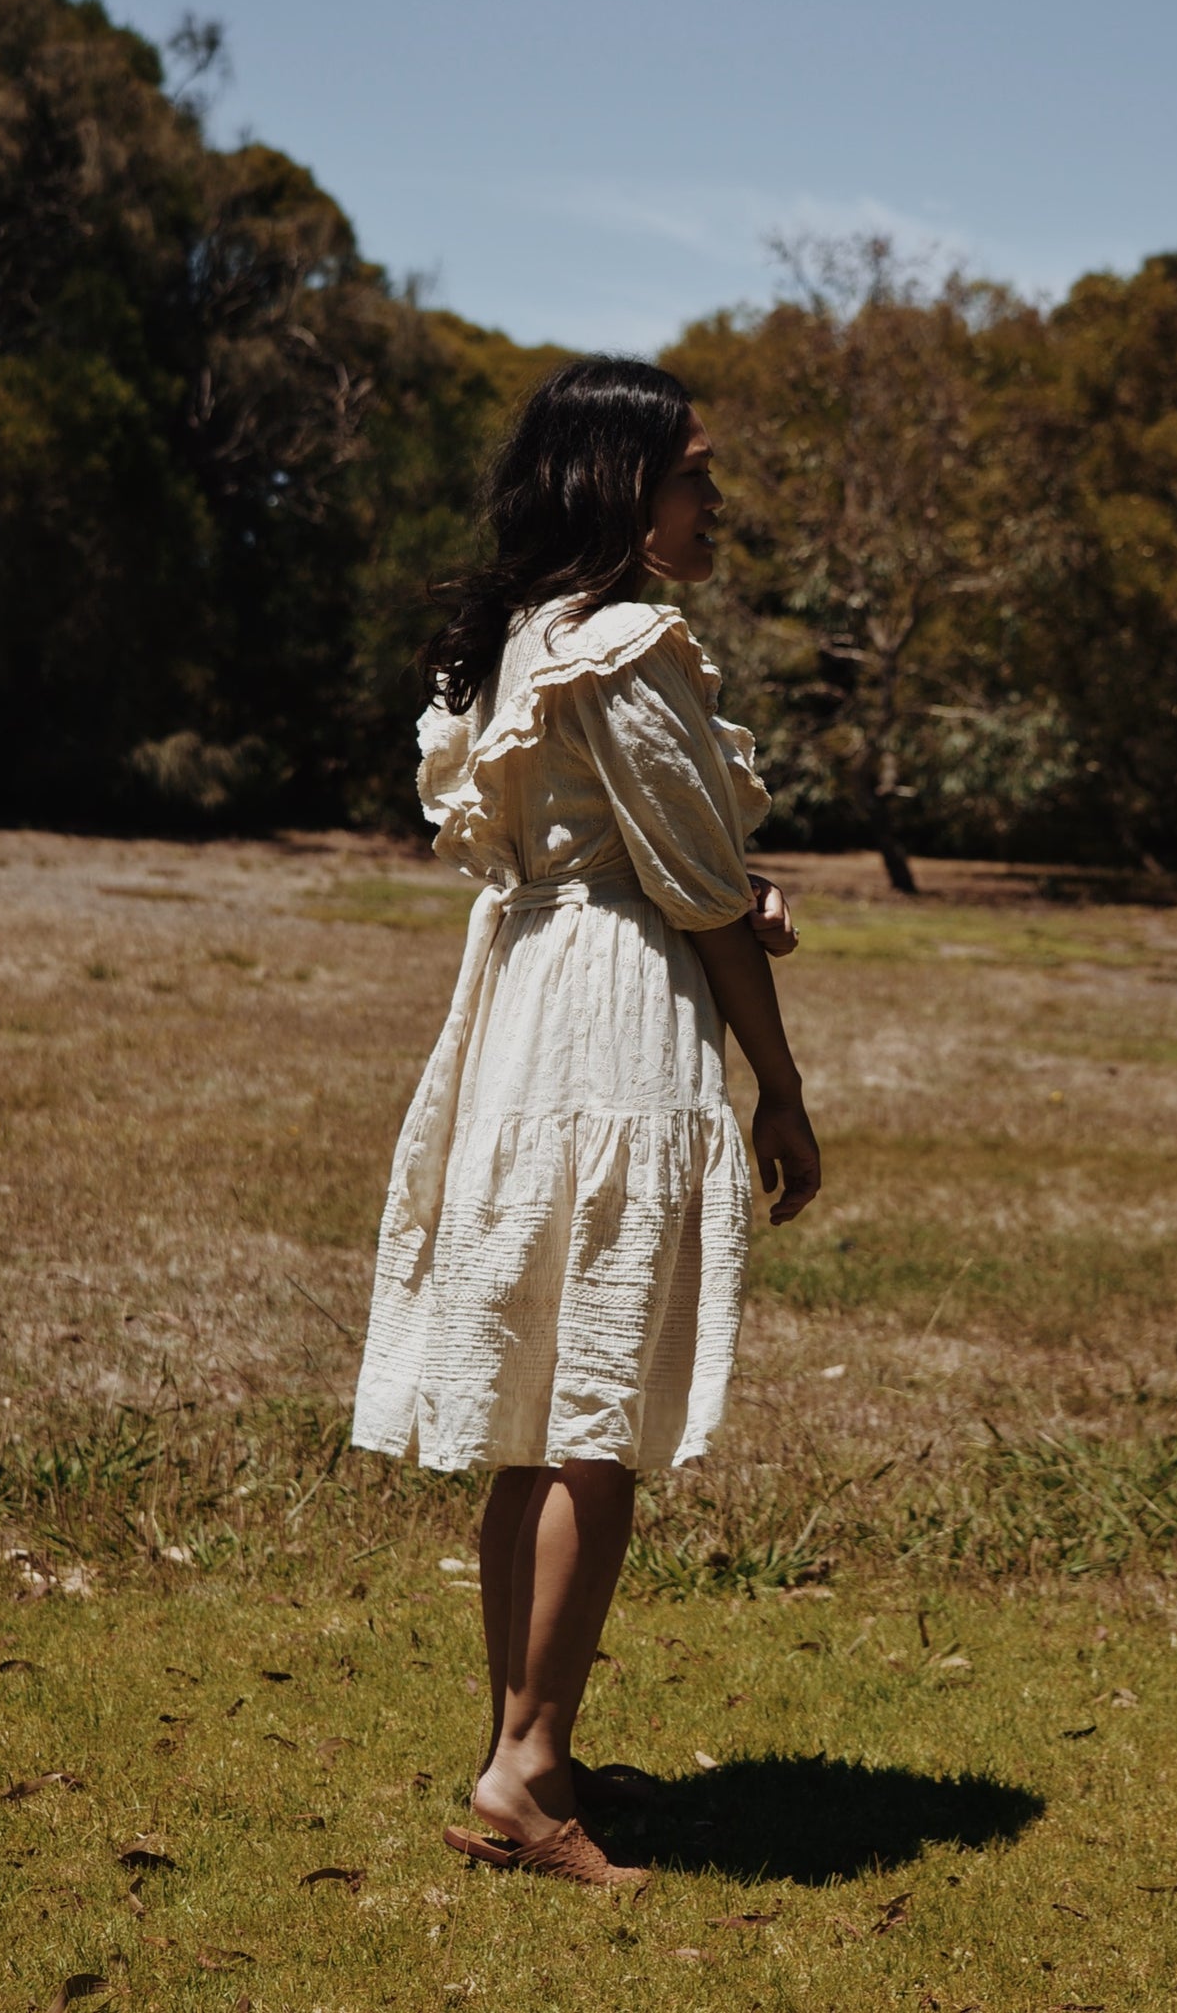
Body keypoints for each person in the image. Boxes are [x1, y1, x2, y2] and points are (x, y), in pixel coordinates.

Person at [350, 357, 821, 1887]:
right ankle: (530, 1772)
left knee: (541, 1408)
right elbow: (693, 890)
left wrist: (720, 890)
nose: (711, 500)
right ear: (616, 484)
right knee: (596, 1416)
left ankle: (515, 1740)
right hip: (611, 1015)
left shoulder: (515, 639)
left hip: (525, 997)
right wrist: (785, 1086)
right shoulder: (627, 645)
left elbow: (617, 843)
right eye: (693, 472)